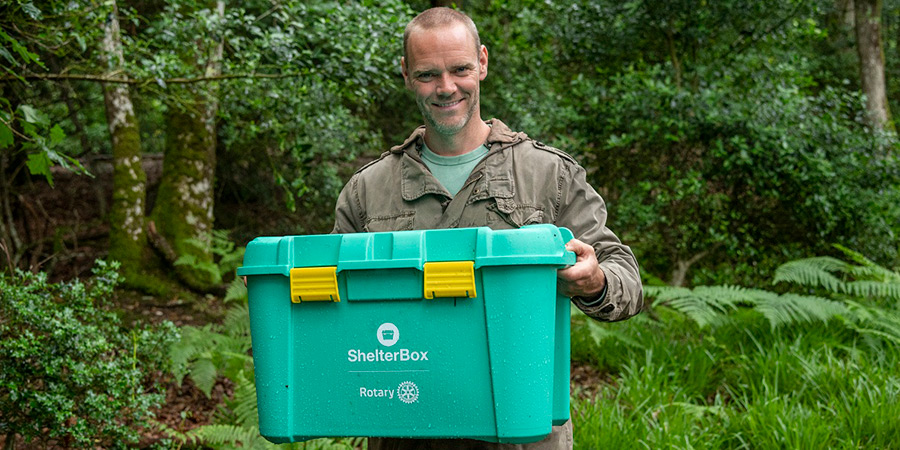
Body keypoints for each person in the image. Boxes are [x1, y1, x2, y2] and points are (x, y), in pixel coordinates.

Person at [332, 7, 643, 450]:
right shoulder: (368, 189)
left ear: (482, 62)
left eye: (459, 69)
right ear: (405, 74)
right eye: (427, 74)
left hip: (521, 432)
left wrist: (593, 280)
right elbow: (334, 307)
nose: (446, 88)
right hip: (405, 430)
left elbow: (627, 283)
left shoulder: (547, 174)